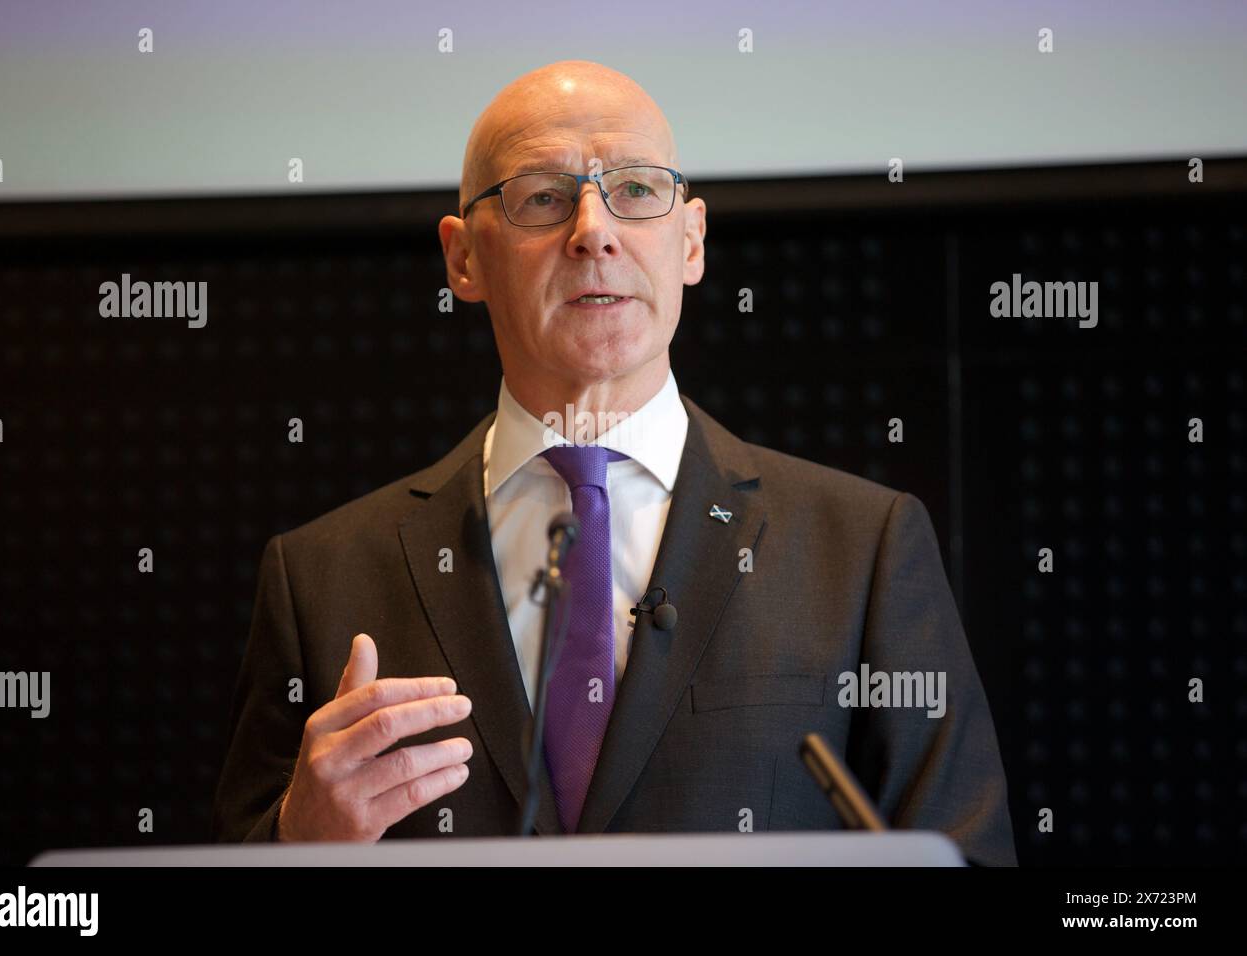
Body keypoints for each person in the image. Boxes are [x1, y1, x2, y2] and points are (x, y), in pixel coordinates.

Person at [211, 59, 1017, 865]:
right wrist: (297, 837)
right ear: (463, 260)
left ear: (691, 240)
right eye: (542, 197)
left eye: (635, 191)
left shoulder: (861, 549)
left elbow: (965, 854)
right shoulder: (320, 579)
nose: (593, 230)